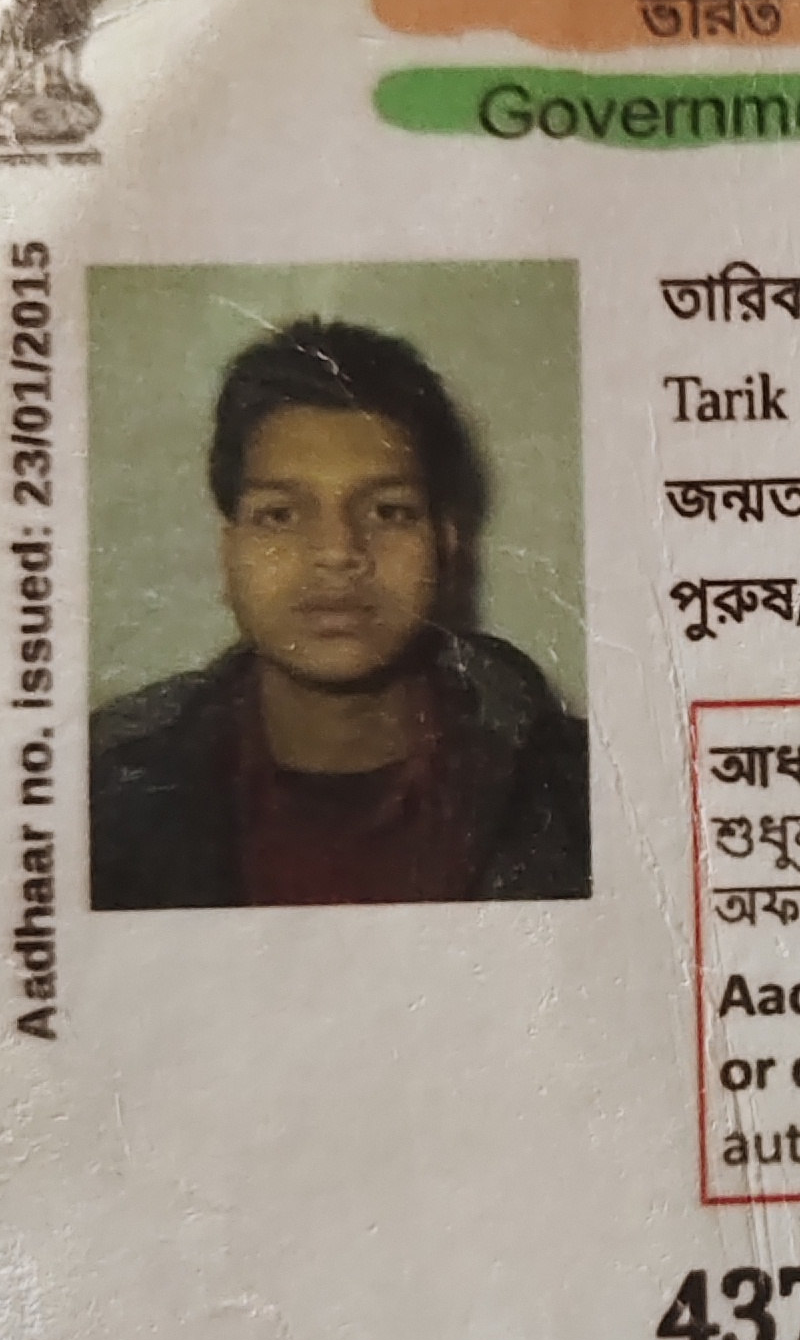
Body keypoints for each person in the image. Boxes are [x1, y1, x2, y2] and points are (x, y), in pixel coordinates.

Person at [90, 318, 589, 907]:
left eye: (388, 512)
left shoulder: (579, 789)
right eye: (280, 515)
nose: (337, 553)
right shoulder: (99, 786)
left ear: (447, 547)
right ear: (229, 553)